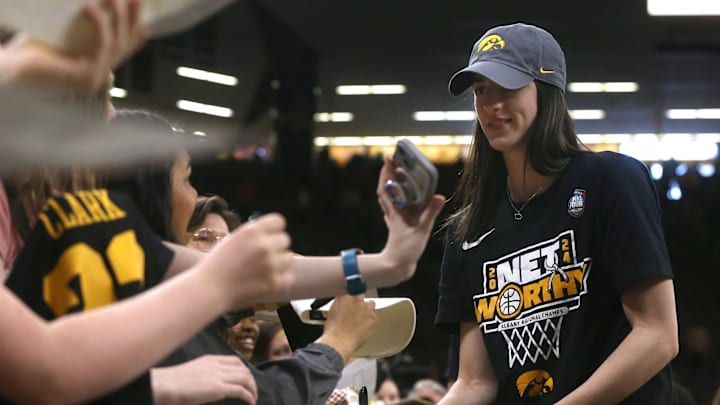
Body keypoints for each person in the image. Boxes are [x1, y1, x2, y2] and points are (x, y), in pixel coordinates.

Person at [435, 22, 678, 404]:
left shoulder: (611, 181)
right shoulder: (466, 231)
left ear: (546, 91)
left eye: (507, 87)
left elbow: (658, 336)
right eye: (482, 91)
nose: (491, 104)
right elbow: (475, 382)